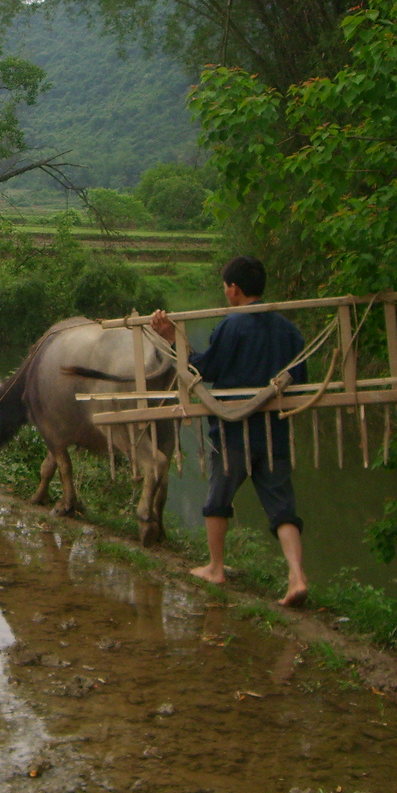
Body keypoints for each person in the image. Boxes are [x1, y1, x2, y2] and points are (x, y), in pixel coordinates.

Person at [151, 255, 310, 607]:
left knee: (216, 500)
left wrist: (171, 338)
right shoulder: (289, 330)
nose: (225, 293)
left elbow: (203, 371)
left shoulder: (233, 326)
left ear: (234, 289)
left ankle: (216, 567)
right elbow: (300, 377)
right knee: (282, 506)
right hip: (276, 433)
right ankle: (297, 577)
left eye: (225, 287)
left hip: (234, 432)